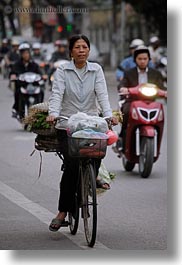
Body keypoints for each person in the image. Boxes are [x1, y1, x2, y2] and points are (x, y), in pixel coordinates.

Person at [46, 34, 118, 232]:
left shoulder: (96, 70)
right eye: (77, 47)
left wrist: (109, 115)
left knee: (96, 153)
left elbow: (102, 95)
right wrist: (53, 114)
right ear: (71, 51)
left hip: (91, 124)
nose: (81, 50)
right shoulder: (62, 70)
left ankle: (92, 176)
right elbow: (57, 94)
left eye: (84, 47)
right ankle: (62, 212)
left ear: (89, 50)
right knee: (70, 166)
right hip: (67, 125)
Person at [117, 46, 165, 148]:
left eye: (145, 59)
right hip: (132, 101)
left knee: (161, 114)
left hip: (151, 102)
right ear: (135, 60)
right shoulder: (128, 73)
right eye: (140, 59)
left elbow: (161, 87)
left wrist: (166, 92)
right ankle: (122, 136)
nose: (142, 61)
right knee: (126, 112)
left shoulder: (155, 73)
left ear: (149, 59)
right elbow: (122, 83)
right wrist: (123, 88)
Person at [10, 43, 45, 118]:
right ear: (21, 54)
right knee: (17, 92)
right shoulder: (17, 64)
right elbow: (12, 73)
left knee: (41, 91)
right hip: (22, 85)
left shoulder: (34, 64)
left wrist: (43, 76)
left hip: (33, 85)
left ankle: (41, 108)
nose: (26, 55)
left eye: (27, 53)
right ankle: (16, 108)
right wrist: (13, 76)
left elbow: (40, 72)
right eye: (24, 53)